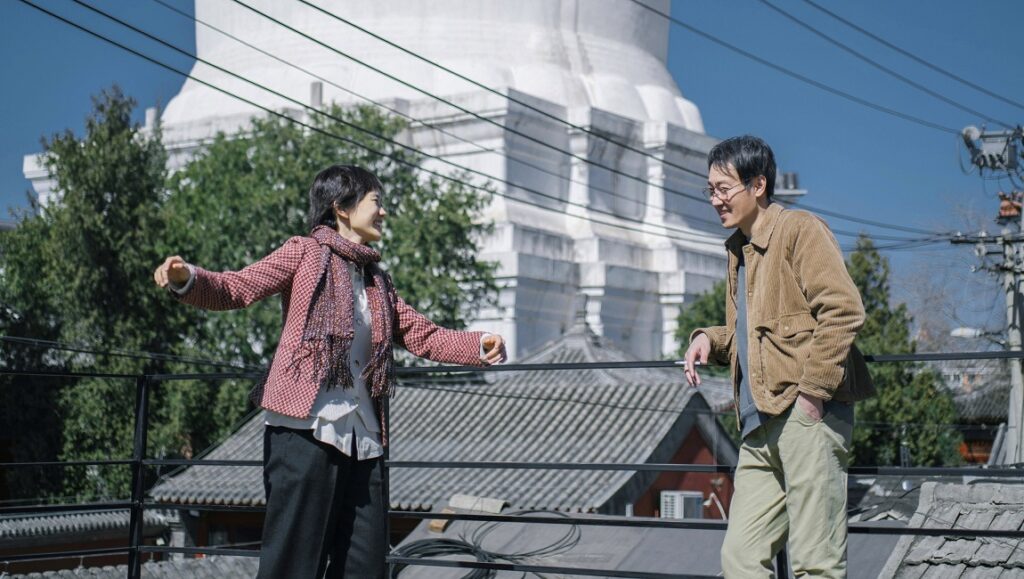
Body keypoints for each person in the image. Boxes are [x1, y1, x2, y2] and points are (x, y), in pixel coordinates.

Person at [153, 164, 506, 578]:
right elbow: (237, 287)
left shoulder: (377, 281)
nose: (384, 212)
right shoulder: (303, 252)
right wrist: (186, 277)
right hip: (305, 431)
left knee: (364, 566)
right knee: (294, 564)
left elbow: (422, 334)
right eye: (377, 202)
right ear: (341, 206)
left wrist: (476, 344)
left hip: (364, 438)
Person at [683, 136, 874, 578]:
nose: (715, 200)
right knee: (741, 558)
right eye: (710, 190)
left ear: (758, 185)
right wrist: (708, 339)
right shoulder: (738, 251)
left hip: (808, 415)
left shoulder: (800, 230)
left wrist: (812, 394)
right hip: (757, 424)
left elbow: (844, 310)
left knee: (816, 564)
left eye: (723, 188)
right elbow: (748, 335)